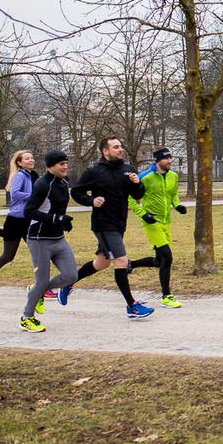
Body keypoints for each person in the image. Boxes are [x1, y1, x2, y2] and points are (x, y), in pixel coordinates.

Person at [62, 136, 154, 319]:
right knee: (121, 262)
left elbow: (138, 195)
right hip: (103, 224)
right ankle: (132, 306)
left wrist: (138, 184)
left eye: (121, 146)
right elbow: (76, 191)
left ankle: (68, 283)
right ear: (105, 151)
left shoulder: (127, 170)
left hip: (120, 223)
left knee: (101, 263)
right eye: (116, 147)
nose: (120, 150)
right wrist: (91, 201)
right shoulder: (94, 171)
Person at [18, 150, 78, 332]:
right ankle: (26, 318)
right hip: (39, 239)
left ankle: (36, 291)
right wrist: (56, 219)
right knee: (42, 280)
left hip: (58, 238)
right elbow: (29, 211)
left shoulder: (63, 182)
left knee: (71, 276)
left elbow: (57, 209)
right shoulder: (42, 184)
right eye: (61, 164)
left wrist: (63, 222)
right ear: (51, 166)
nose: (65, 166)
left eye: (66, 163)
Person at [127, 147, 187, 308]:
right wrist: (143, 214)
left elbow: (173, 194)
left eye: (170, 158)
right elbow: (131, 199)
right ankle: (166, 296)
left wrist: (178, 205)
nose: (169, 161)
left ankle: (131, 264)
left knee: (159, 261)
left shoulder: (173, 176)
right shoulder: (145, 176)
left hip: (166, 221)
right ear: (157, 160)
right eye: (166, 159)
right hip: (151, 221)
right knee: (167, 257)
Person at [0, 149, 42, 295]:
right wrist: (33, 195)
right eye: (27, 158)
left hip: (28, 220)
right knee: (8, 256)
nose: (31, 160)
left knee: (38, 253)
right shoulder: (20, 176)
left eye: (32, 158)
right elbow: (14, 194)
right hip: (15, 221)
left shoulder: (32, 176)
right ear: (20, 163)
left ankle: (40, 287)